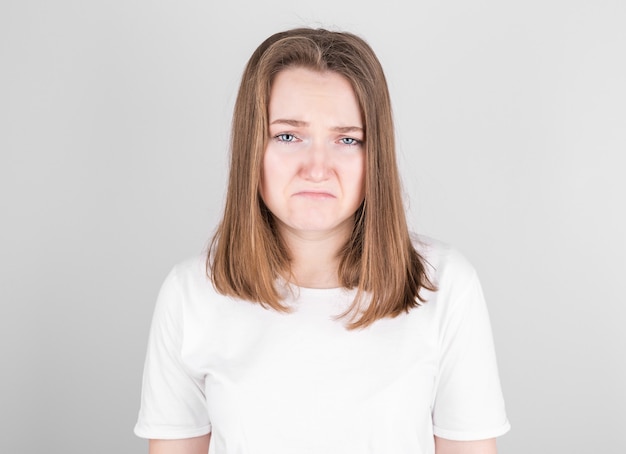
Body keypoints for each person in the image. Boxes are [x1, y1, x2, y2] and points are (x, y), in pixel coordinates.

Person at [134, 27, 510, 454]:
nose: (317, 168)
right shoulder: (191, 295)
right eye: (288, 136)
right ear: (251, 147)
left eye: (347, 139)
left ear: (376, 156)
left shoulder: (443, 286)